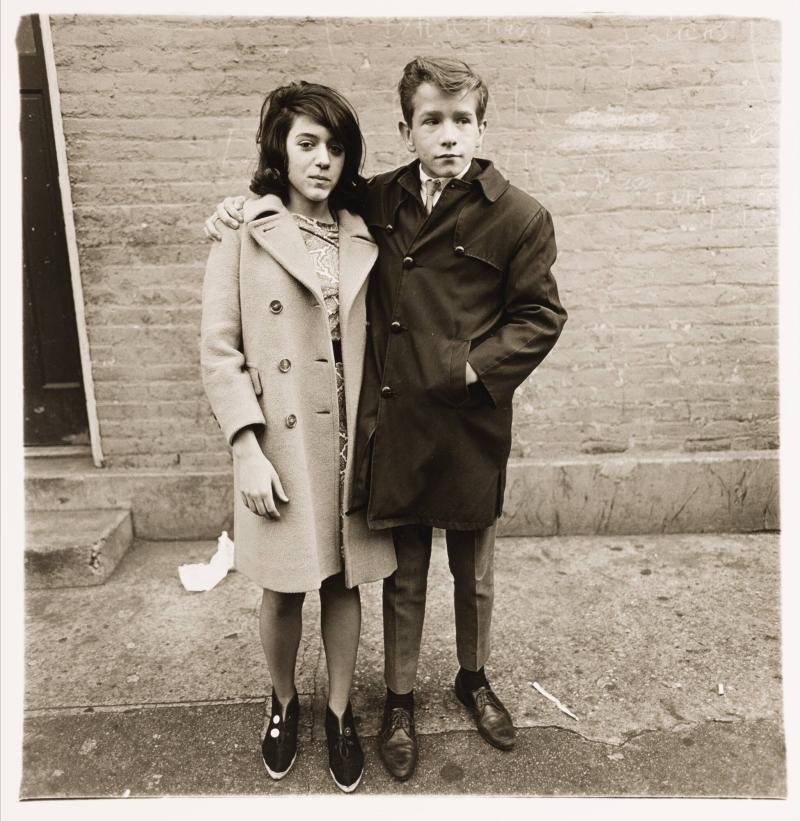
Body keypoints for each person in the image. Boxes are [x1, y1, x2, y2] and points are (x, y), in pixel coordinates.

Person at [204, 56, 567, 782]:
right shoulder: (379, 199)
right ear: (407, 130)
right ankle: (389, 700)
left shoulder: (516, 214)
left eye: (462, 120)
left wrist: (473, 368)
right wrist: (237, 207)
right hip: (383, 424)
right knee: (396, 574)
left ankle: (471, 678)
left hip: (464, 421)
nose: (448, 136)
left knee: (473, 571)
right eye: (431, 121)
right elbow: (241, 310)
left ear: (482, 128)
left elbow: (541, 313)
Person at [200, 80, 396, 793]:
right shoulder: (243, 230)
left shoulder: (363, 229)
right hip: (280, 441)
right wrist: (245, 448)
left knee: (346, 583)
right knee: (285, 587)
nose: (322, 160)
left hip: (351, 435)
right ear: (278, 148)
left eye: (336, 147)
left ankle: (339, 712)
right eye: (307, 143)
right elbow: (218, 349)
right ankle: (283, 701)